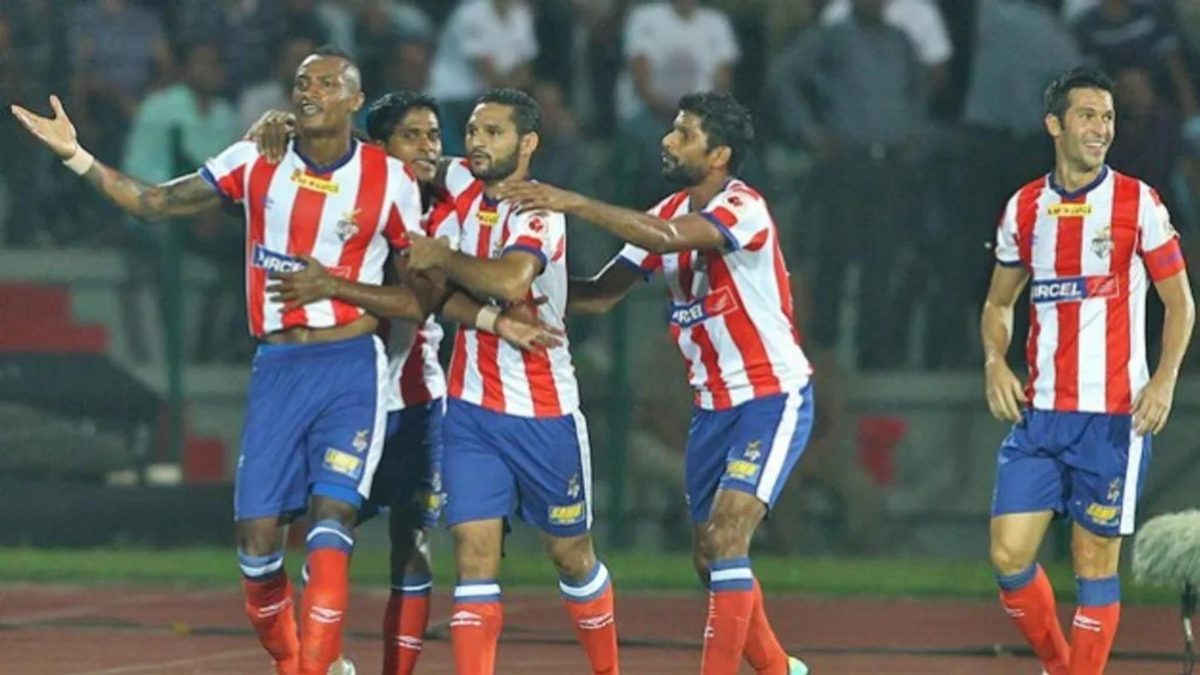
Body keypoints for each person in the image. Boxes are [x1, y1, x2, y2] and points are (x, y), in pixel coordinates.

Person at [9, 47, 545, 675]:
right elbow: (154, 203)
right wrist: (75, 154)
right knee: (257, 546)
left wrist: (337, 288)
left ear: (353, 100)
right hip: (277, 371)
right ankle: (293, 660)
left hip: (351, 367)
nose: (309, 91)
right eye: (302, 82)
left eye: (326, 83)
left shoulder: (391, 180)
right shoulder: (256, 158)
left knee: (333, 525)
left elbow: (417, 300)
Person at [269, 87, 621, 675]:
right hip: (470, 411)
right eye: (474, 131)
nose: (474, 143)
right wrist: (298, 129)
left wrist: (441, 256)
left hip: (544, 410)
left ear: (527, 144)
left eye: (494, 133)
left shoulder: (536, 210)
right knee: (472, 559)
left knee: (571, 555)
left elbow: (509, 280)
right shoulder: (460, 187)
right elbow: (394, 164)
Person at [498, 91, 810, 675]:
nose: (667, 141)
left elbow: (665, 238)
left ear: (718, 154)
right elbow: (601, 294)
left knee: (727, 538)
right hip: (712, 407)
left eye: (683, 133)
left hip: (770, 396)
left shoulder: (743, 206)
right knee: (708, 558)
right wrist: (519, 287)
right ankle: (779, 669)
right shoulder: (666, 211)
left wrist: (572, 201)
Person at [982, 67, 1194, 675]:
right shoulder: (1025, 208)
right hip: (1041, 416)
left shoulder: (1137, 202)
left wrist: (1164, 380)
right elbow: (999, 303)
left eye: (1108, 117)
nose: (1101, 128)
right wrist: (994, 361)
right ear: (1055, 124)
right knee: (1008, 558)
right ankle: (1060, 665)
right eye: (1088, 116)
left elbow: (1180, 303)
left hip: (1112, 419)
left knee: (1093, 563)